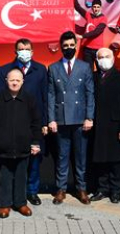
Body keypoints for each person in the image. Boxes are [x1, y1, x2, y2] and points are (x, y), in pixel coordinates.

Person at [0, 38, 49, 206]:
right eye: (20, 49)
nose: (24, 51)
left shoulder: (40, 70)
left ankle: (31, 192)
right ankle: (10, 195)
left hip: (34, 123)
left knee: (34, 160)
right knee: (11, 163)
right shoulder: (5, 70)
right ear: (15, 51)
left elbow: (46, 97)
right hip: (11, 124)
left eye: (27, 49)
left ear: (32, 51)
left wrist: (45, 123)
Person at [0, 68, 42, 219]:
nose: (15, 82)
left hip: (23, 146)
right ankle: (4, 204)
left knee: (22, 176)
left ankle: (20, 203)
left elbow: (36, 123)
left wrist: (35, 142)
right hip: (3, 147)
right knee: (4, 177)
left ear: (23, 81)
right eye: (12, 80)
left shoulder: (30, 99)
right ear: (6, 81)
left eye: (18, 80)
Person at [47, 31, 95, 205]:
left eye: (71, 45)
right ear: (61, 47)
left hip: (80, 119)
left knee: (80, 156)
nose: (68, 48)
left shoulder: (84, 67)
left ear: (76, 46)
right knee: (62, 156)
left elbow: (90, 94)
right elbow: (50, 95)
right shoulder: (53, 68)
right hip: (61, 120)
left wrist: (89, 117)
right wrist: (51, 119)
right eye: (65, 46)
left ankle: (81, 188)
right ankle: (61, 189)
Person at [89, 48, 120, 204]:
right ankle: (102, 189)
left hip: (116, 126)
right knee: (100, 159)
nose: (103, 60)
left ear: (113, 59)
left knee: (116, 160)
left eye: (107, 56)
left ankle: (116, 191)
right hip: (98, 125)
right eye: (100, 57)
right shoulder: (92, 77)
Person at [74, 0, 107, 68]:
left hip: (98, 49)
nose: (96, 9)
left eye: (98, 7)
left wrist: (82, 36)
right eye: (94, 7)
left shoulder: (103, 18)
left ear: (101, 8)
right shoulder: (88, 15)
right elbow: (77, 7)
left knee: (100, 70)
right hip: (87, 49)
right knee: (88, 71)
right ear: (92, 7)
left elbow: (96, 32)